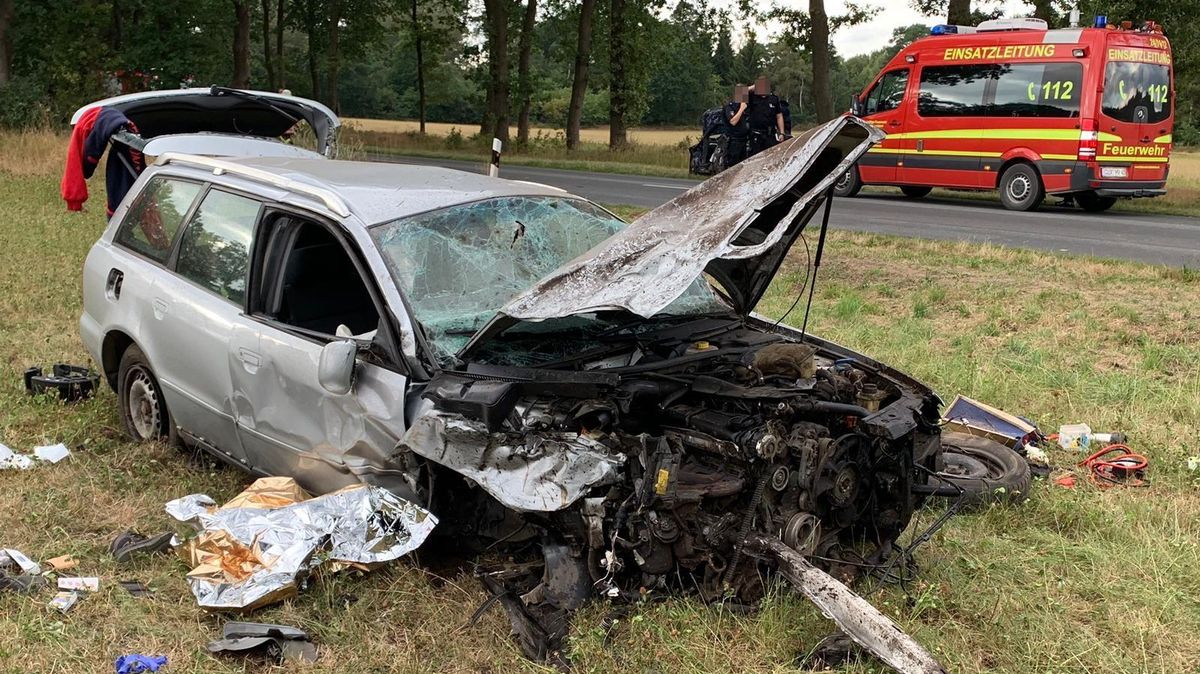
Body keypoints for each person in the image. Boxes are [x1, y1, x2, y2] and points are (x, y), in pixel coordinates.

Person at [746, 75, 785, 157]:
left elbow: (779, 116)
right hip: (756, 135)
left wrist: (782, 132)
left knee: (771, 157)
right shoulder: (752, 97)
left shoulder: (773, 99)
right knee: (755, 159)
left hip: (770, 135)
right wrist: (753, 86)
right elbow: (739, 93)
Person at [722, 84, 750, 167]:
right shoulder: (730, 106)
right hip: (734, 141)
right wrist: (741, 109)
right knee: (733, 166)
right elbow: (733, 122)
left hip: (744, 140)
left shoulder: (745, 106)